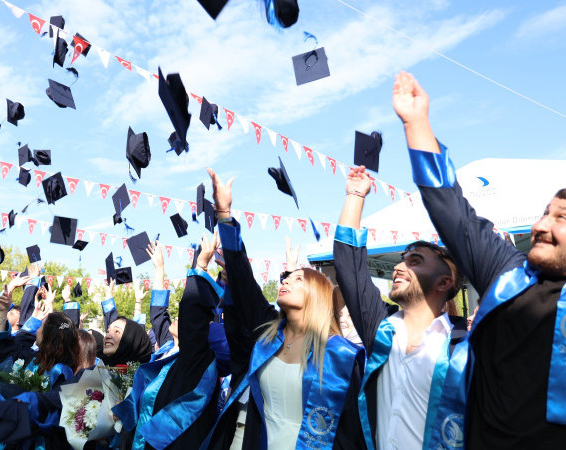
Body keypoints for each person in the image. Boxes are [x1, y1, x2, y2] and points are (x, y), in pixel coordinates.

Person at [393, 70, 566, 448]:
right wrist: (417, 123)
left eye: (561, 218)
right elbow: (453, 212)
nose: (540, 225)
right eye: (544, 212)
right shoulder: (508, 273)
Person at [203, 168, 364, 450]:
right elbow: (243, 279)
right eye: (287, 277)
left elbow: (352, 432)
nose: (287, 280)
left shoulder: (340, 355)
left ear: (318, 295)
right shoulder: (268, 332)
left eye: (298, 279)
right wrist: (225, 215)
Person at [334, 164, 468, 449]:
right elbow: (349, 265)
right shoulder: (381, 328)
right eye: (402, 259)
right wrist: (355, 196)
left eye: (415, 261)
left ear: (444, 283)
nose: (398, 267)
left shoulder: (465, 344)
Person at [113, 235, 227, 449]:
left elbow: (192, 312)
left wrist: (201, 266)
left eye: (182, 317)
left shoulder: (197, 359)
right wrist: (159, 268)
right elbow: (158, 313)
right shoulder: (168, 347)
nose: (176, 317)